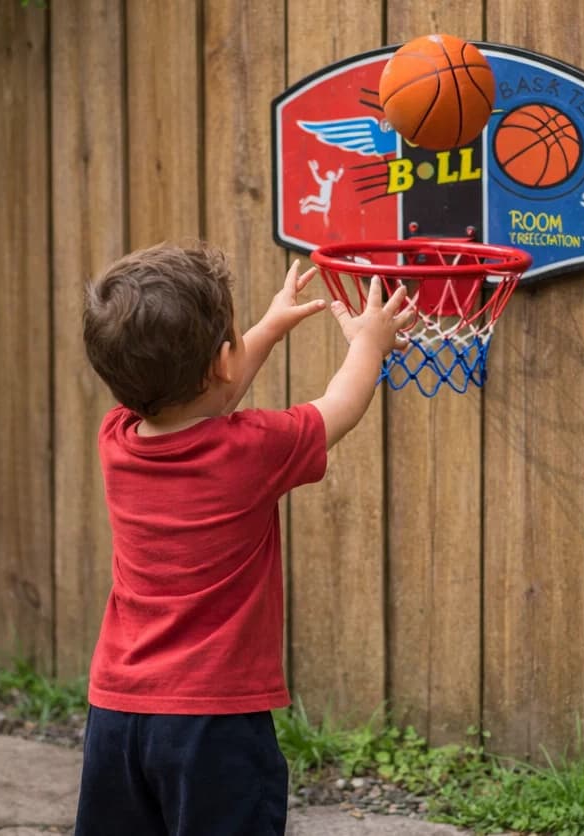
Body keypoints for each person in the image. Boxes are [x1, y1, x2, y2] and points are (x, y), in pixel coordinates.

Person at [74, 241, 411, 836]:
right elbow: (342, 406)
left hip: (118, 710)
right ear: (220, 362)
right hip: (214, 718)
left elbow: (208, 394)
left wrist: (266, 329)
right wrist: (368, 343)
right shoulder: (250, 450)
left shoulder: (116, 440)